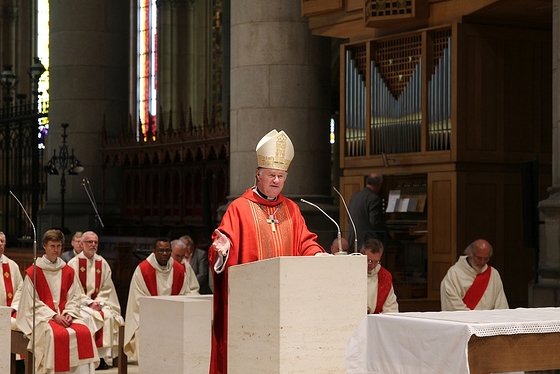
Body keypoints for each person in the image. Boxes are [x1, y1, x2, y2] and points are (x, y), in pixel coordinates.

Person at [209, 129, 326, 374]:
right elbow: (223, 241)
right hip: (249, 303)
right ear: (258, 174)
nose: (276, 181)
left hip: (285, 302)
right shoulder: (239, 208)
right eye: (271, 175)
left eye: (281, 176)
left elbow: (305, 241)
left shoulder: (292, 209)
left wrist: (316, 254)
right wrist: (222, 251)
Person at [16, 229, 99, 374]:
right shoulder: (34, 272)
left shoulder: (67, 271)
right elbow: (31, 303)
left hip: (65, 315)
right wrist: (54, 316)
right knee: (54, 334)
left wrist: (69, 313)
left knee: (84, 331)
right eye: (52, 246)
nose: (56, 250)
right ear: (44, 246)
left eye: (59, 246)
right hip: (42, 317)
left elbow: (75, 297)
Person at [123, 237, 200, 361]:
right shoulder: (143, 270)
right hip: (149, 317)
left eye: (167, 250)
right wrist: (159, 314)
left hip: (174, 317)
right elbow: (138, 300)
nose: (165, 253)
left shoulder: (179, 270)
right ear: (154, 251)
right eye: (161, 250)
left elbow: (185, 294)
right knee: (141, 333)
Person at [67, 231, 124, 370]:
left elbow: (107, 287)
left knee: (109, 316)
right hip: (80, 304)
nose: (93, 245)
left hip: (100, 303)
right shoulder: (73, 263)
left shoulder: (102, 263)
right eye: (89, 242)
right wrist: (89, 302)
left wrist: (99, 302)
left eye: (95, 242)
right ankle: (89, 359)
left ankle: (102, 357)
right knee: (87, 318)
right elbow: (74, 289)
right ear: (82, 244)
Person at [440, 239, 509, 311]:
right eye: (479, 258)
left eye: (486, 259)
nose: (482, 262)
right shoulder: (454, 273)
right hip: (465, 321)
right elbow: (452, 305)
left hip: (489, 321)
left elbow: (501, 305)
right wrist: (475, 319)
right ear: (470, 253)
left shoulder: (494, 274)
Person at [347, 173, 391, 249]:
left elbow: (348, 218)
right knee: (399, 246)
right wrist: (388, 232)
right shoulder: (374, 198)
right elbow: (375, 222)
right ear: (379, 185)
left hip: (352, 238)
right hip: (368, 241)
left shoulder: (354, 196)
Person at [361, 238, 398, 314]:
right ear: (361, 253)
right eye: (369, 261)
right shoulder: (350, 272)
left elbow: (391, 307)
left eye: (376, 261)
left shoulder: (385, 276)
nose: (373, 265)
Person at [0, 231, 23, 330]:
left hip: (11, 311)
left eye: (1, 241)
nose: (0, 243)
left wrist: (13, 308)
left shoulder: (12, 265)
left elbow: (21, 288)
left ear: (5, 244)